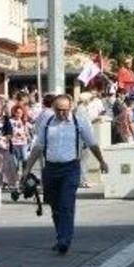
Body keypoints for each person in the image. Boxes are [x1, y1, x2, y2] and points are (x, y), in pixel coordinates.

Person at [21, 95, 108, 254]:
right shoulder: (47, 124)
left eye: (65, 110)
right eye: (59, 110)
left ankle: (64, 240)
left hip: (71, 169)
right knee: (55, 206)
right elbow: (38, 148)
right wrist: (27, 170)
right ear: (53, 109)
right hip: (50, 169)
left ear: (71, 108)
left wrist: (102, 161)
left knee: (66, 204)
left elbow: (92, 144)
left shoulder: (79, 123)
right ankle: (61, 235)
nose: (62, 113)